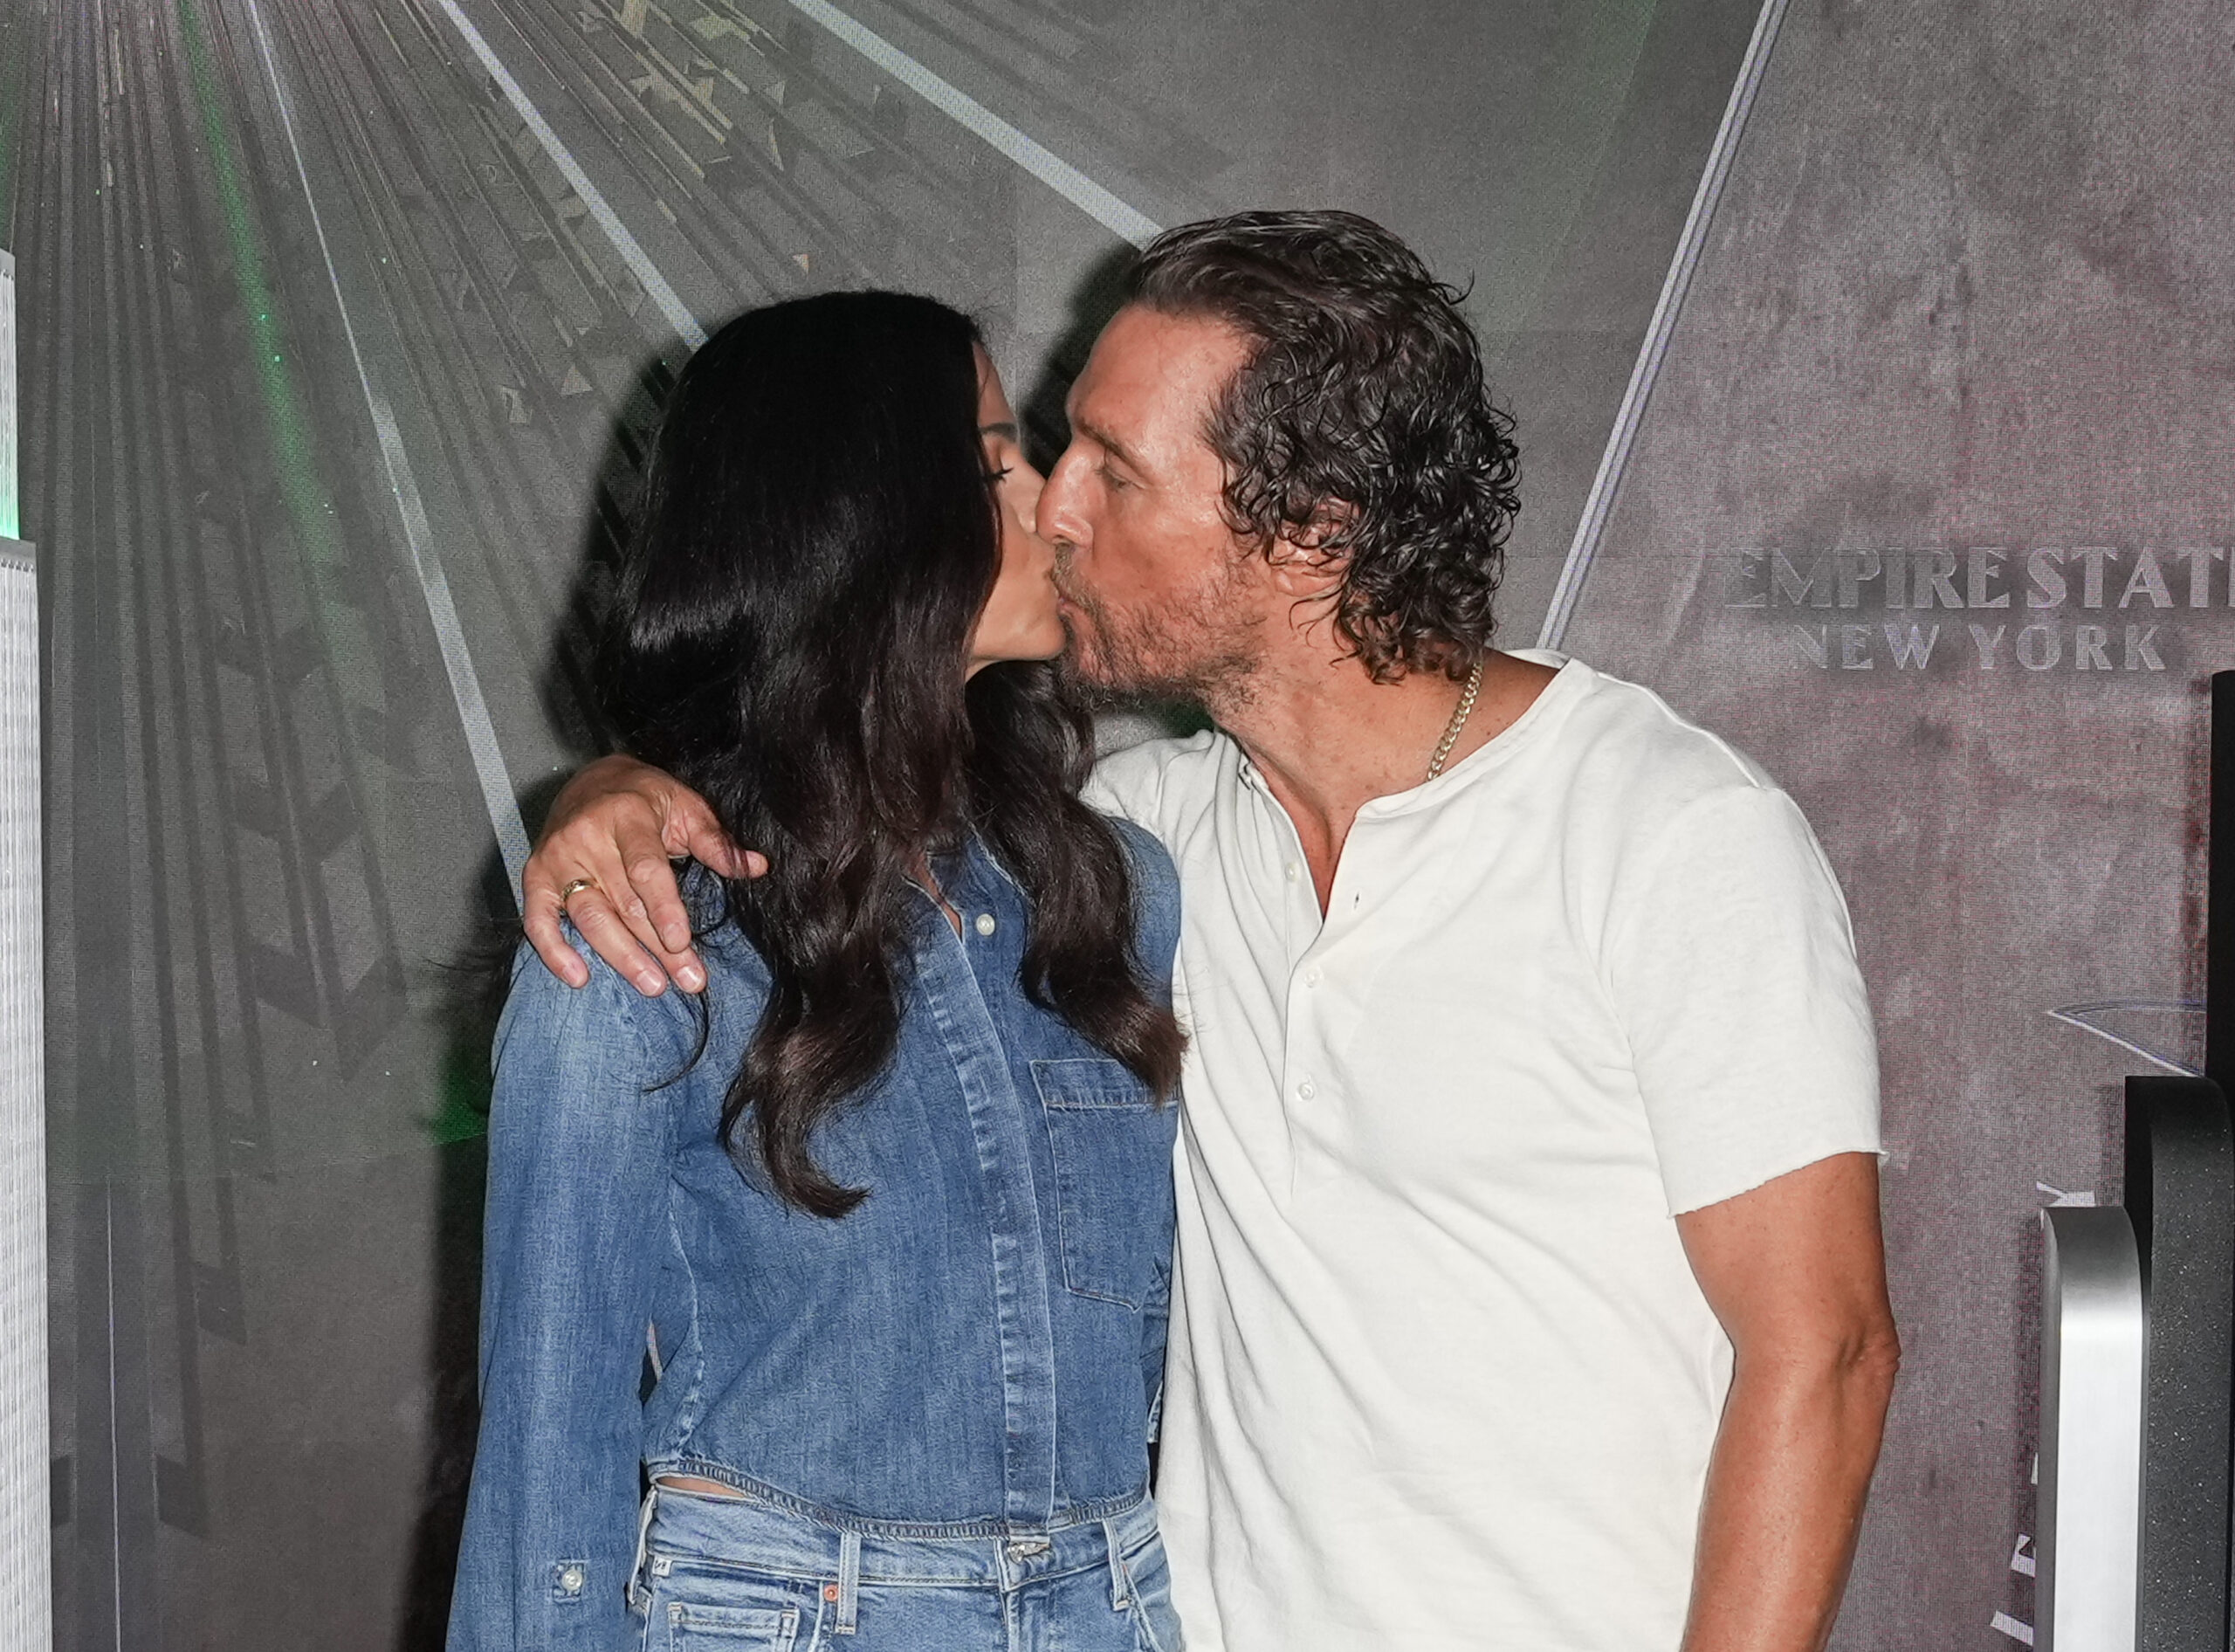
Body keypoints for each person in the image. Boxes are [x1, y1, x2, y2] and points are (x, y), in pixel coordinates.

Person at [522, 212, 1900, 1652]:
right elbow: (817, 807)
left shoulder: (1664, 831)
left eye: (1115, 470)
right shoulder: (1132, 845)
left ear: (1308, 529)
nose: (1056, 508)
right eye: (1056, 452)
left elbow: (1830, 1352)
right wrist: (617, 795)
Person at [449, 290, 1193, 1652]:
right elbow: (547, 1453)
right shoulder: (644, 943)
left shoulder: (1114, 896)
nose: (1052, 504)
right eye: (991, 462)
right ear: (860, 523)